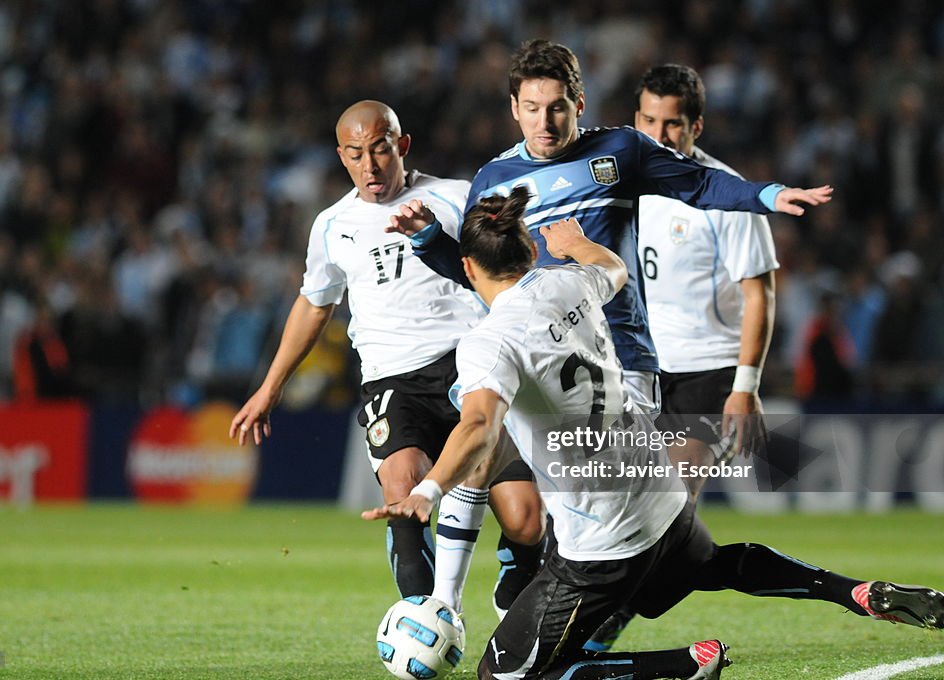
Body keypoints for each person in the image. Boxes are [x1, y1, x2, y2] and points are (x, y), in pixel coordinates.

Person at [365, 187, 944, 680]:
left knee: (503, 674)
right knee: (719, 565)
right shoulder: (569, 285)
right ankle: (855, 592)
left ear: (467, 269)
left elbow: (478, 425)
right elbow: (613, 268)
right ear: (530, 249)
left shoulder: (487, 343)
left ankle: (680, 665)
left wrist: (428, 489)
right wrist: (577, 246)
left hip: (601, 541)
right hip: (660, 494)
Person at [386, 38, 831, 620]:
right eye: (532, 108)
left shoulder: (620, 152)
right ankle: (450, 603)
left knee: (612, 513)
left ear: (579, 104)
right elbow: (477, 271)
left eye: (557, 109)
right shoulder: (493, 179)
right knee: (482, 454)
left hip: (617, 362)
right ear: (513, 109)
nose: (545, 122)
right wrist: (428, 242)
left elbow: (698, 183)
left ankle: (582, 613)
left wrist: (766, 195)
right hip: (534, 359)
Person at [229, 100, 545, 603]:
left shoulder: (455, 198)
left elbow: (506, 269)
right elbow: (315, 305)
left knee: (527, 519)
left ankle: (521, 577)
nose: (370, 166)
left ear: (402, 146)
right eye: (355, 154)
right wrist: (270, 388)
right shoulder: (332, 226)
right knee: (403, 491)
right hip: (392, 380)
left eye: (379, 150)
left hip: (471, 367)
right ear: (341, 156)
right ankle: (424, 620)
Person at [634, 64, 778, 496]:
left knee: (673, 500)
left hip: (705, 369)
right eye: (649, 121)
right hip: (638, 369)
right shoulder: (618, 186)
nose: (659, 135)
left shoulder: (726, 194)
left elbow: (760, 295)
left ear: (695, 125)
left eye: (673, 123)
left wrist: (745, 388)